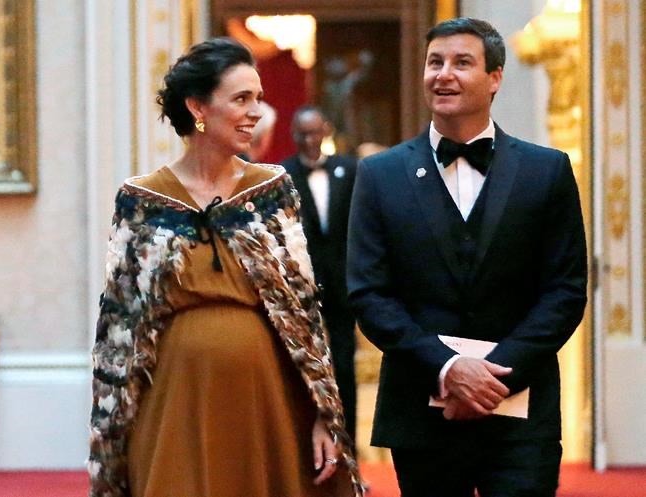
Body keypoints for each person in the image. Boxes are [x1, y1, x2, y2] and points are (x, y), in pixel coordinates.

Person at [88, 37, 362, 497]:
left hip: (267, 401)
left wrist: (324, 414)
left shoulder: (272, 190)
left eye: (258, 98)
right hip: (173, 403)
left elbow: (304, 315)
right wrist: (114, 437)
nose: (256, 112)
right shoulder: (141, 200)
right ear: (198, 107)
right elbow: (119, 329)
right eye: (241, 99)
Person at [347, 17, 587, 497]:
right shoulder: (379, 175)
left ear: (494, 77)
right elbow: (369, 293)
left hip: (521, 412)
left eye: (461, 63)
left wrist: (493, 378)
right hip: (421, 412)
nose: (444, 74)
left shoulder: (547, 171)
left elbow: (565, 291)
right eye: (435, 62)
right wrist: (449, 370)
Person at [282, 106, 358, 445]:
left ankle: (348, 443)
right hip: (303, 285)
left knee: (345, 365)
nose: (310, 140)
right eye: (303, 134)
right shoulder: (283, 175)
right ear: (294, 135)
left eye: (315, 132)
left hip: (342, 284)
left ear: (326, 130)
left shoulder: (349, 169)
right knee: (305, 365)